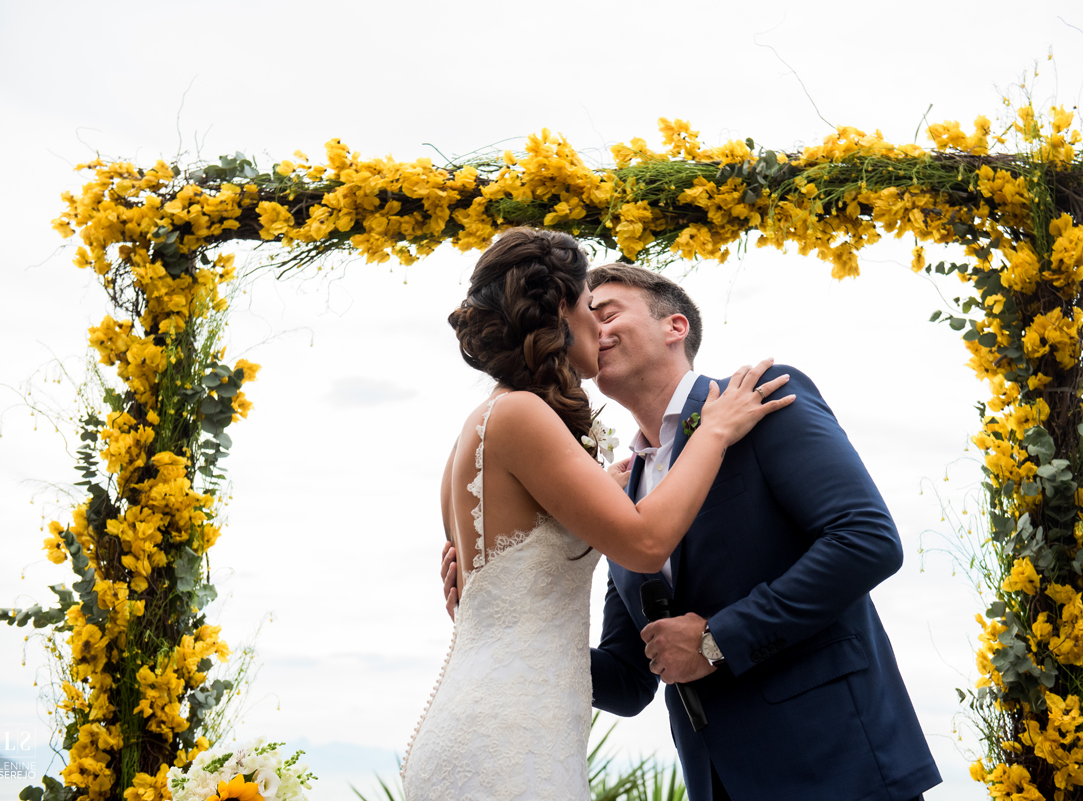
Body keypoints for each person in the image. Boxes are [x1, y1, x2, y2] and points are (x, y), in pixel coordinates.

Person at [441, 263, 943, 801]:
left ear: (674, 326)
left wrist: (716, 640)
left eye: (605, 312)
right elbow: (629, 679)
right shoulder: (614, 495)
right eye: (585, 315)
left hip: (836, 761)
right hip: (716, 782)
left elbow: (866, 539)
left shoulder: (759, 399)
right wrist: (505, 626)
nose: (591, 327)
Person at [400, 228, 794, 801]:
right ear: (560, 310)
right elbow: (644, 543)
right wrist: (714, 431)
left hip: (516, 719)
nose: (599, 327)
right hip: (505, 739)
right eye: (590, 305)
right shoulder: (520, 415)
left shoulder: (492, 422)